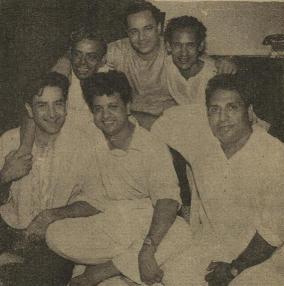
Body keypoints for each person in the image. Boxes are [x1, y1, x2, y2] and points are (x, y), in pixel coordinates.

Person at [46, 70, 191, 286]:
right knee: (55, 233)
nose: (106, 116)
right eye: (98, 109)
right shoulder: (94, 141)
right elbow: (95, 201)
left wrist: (147, 249)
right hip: (111, 226)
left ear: (128, 106)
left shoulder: (151, 146)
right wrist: (52, 214)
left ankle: (100, 273)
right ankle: (127, 266)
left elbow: (168, 201)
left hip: (146, 226)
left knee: (180, 231)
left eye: (113, 107)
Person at [151, 74, 284, 285]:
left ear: (249, 113)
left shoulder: (274, 155)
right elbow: (159, 124)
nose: (222, 118)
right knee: (173, 276)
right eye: (214, 109)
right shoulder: (202, 144)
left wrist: (233, 268)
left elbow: (272, 236)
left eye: (232, 108)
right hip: (212, 246)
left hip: (264, 257)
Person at [0, 72, 101, 285]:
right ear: (29, 110)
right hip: (9, 231)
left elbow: (97, 201)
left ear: (66, 105)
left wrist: (51, 215)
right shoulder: (9, 141)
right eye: (42, 106)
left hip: (54, 238)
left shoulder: (84, 144)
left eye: (58, 104)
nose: (53, 113)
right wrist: (6, 176)